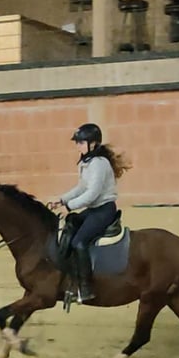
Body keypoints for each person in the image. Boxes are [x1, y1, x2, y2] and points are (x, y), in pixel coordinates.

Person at [51, 123, 132, 302]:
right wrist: (62, 199)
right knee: (70, 225)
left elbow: (92, 193)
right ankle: (68, 277)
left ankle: (86, 289)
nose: (77, 146)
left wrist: (70, 206)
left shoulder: (99, 164)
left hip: (104, 210)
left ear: (93, 144)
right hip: (94, 210)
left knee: (79, 242)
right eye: (77, 142)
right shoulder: (87, 163)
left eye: (81, 142)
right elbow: (82, 187)